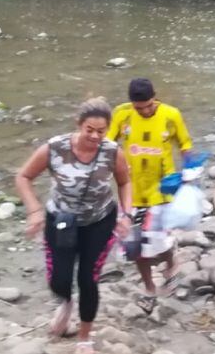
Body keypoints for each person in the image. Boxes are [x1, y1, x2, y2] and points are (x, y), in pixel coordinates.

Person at [15, 98, 132, 354]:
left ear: (107, 130)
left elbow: (124, 182)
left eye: (100, 131)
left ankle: (84, 336)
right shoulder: (55, 148)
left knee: (88, 279)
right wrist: (35, 211)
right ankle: (65, 302)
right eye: (89, 129)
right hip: (61, 220)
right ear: (79, 125)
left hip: (99, 221)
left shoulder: (112, 152)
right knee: (59, 279)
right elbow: (23, 177)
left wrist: (126, 215)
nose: (94, 136)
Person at [107, 78, 193, 314]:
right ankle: (149, 288)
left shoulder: (171, 115)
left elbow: (184, 144)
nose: (144, 111)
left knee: (157, 240)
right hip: (132, 191)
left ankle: (171, 263)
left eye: (148, 106)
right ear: (131, 103)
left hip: (161, 190)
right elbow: (108, 142)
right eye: (139, 107)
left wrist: (191, 170)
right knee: (134, 245)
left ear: (156, 97)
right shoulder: (122, 115)